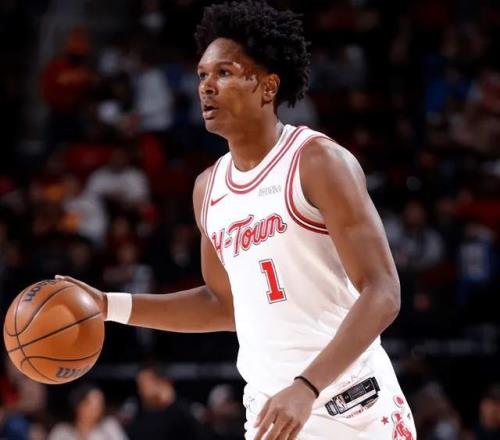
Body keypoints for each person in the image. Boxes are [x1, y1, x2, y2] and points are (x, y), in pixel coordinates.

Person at [57, 1, 416, 438]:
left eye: (224, 72)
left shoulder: (317, 162)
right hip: (272, 411)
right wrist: (107, 305)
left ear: (267, 86)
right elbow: (223, 305)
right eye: (202, 76)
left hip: (351, 405)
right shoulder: (208, 188)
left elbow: (383, 291)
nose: (206, 87)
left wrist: (306, 386)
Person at [125, 364, 205, 439]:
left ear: (160, 382)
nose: (140, 391)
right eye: (139, 386)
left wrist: (170, 400)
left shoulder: (183, 412)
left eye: (144, 385)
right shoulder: (141, 418)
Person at [48, 384, 127, 440]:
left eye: (99, 404)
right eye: (91, 404)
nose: (96, 409)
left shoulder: (109, 426)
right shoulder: (61, 430)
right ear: (78, 405)